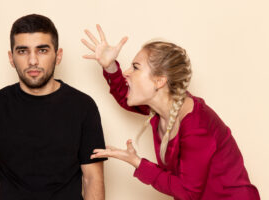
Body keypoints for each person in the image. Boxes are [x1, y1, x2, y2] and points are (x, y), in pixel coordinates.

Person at [81, 24, 260, 200]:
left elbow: (188, 192)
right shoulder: (163, 110)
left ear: (159, 81)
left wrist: (137, 162)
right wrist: (110, 66)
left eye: (135, 67)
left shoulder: (196, 125)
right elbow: (125, 97)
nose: (127, 73)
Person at [0, 15, 107, 200]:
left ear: (58, 56)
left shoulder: (83, 107)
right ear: (11, 58)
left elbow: (92, 179)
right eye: (22, 51)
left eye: (42, 50)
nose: (33, 61)